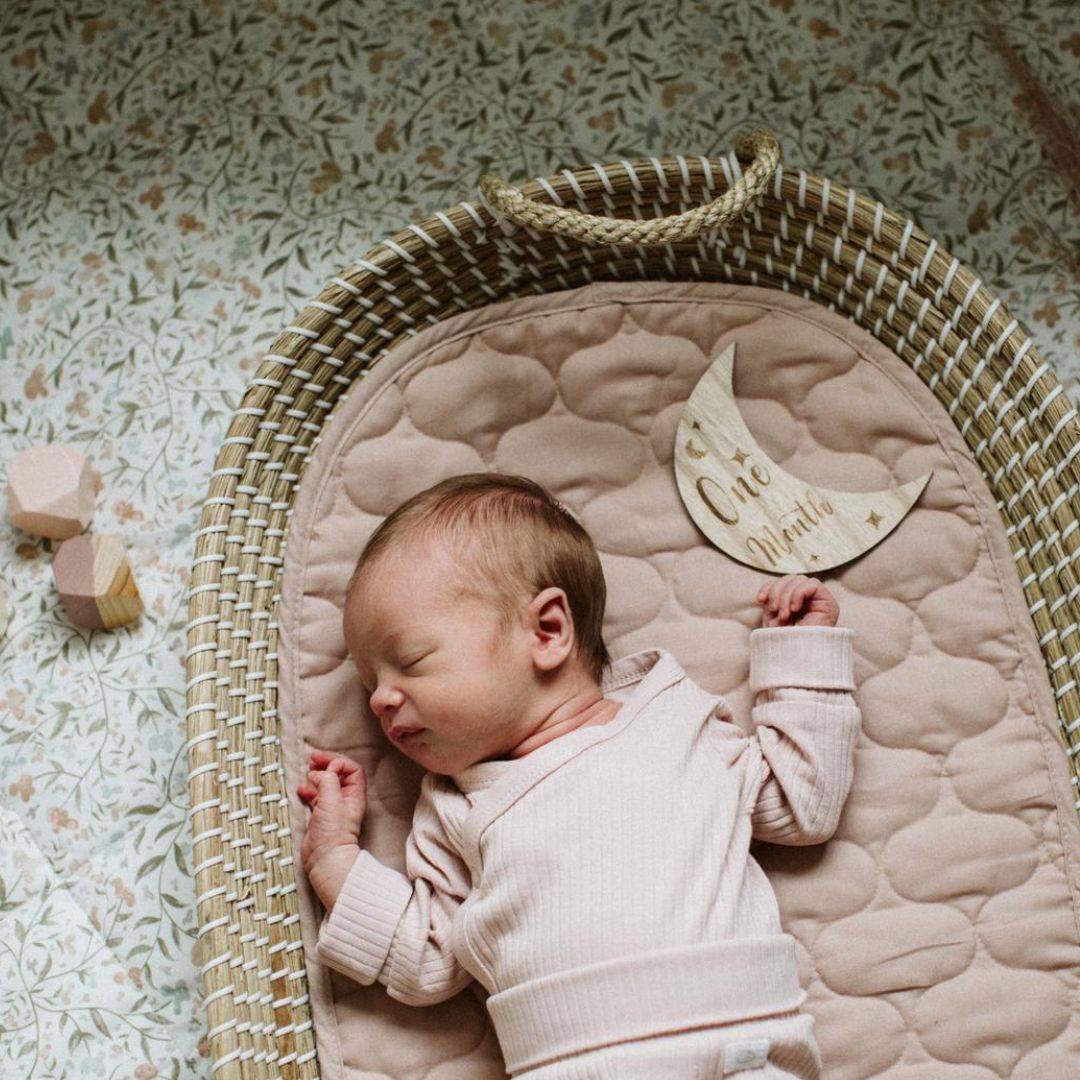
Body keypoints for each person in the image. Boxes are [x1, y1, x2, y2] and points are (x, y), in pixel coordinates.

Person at [297, 473, 861, 1079]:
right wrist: (335, 862)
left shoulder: (675, 722)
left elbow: (802, 804)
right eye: (370, 683)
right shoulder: (456, 807)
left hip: (738, 1045)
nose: (381, 699)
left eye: (409, 662)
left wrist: (802, 652)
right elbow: (429, 960)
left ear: (547, 631)